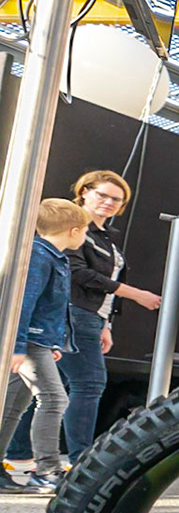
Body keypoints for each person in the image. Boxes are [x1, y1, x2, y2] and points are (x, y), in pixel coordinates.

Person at [60, 169, 161, 456]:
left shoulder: (108, 236)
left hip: (90, 317)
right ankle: (81, 459)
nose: (109, 202)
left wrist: (106, 324)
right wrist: (136, 294)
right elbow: (79, 274)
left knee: (49, 389)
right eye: (102, 194)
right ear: (84, 192)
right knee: (88, 383)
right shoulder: (71, 225)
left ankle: (18, 455)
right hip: (72, 313)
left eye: (116, 199)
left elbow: (101, 284)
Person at [2, 199, 90, 491]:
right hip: (30, 343)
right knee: (54, 399)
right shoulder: (41, 257)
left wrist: (54, 342)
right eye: (85, 230)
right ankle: (47, 470)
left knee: (14, 405)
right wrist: (16, 345)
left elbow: (47, 306)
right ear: (74, 230)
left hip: (37, 341)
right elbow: (24, 302)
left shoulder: (53, 257)